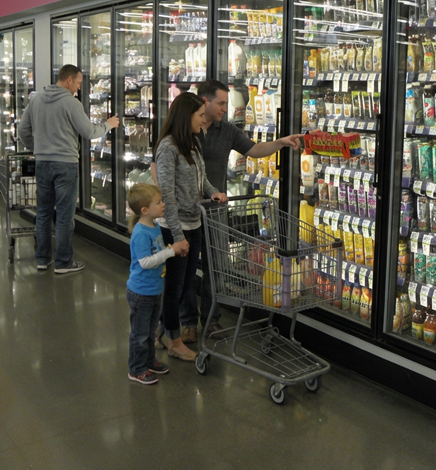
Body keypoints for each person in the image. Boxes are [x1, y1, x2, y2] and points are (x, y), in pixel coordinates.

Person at [191, 79, 303, 341]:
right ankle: (186, 322)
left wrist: (281, 143)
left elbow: (253, 149)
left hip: (215, 208)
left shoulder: (226, 129)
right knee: (184, 270)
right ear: (204, 102)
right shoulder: (186, 129)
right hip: (187, 208)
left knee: (214, 268)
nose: (224, 108)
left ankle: (210, 320)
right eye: (220, 103)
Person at [18, 64, 119, 274]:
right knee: (64, 215)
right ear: (69, 80)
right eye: (79, 83)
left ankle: (42, 259)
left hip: (42, 163)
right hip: (65, 164)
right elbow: (89, 131)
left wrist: (36, 148)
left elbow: (23, 129)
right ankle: (63, 262)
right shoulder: (71, 103)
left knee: (43, 213)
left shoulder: (35, 100)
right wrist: (108, 124)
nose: (79, 88)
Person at [154, 92, 226, 359]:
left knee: (184, 287)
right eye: (199, 115)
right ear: (186, 117)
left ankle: (160, 330)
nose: (203, 119)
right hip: (175, 227)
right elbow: (168, 197)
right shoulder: (168, 148)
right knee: (174, 288)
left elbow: (202, 179)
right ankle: (174, 344)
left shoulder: (194, 143)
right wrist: (176, 237)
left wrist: (213, 192)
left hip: (195, 223)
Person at [125, 183, 179, 385]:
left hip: (155, 289)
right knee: (139, 334)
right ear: (145, 210)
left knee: (149, 332)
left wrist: (169, 250)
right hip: (141, 292)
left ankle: (148, 361)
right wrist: (171, 251)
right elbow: (146, 262)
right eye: (159, 202)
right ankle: (136, 369)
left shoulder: (154, 226)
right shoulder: (140, 233)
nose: (163, 204)